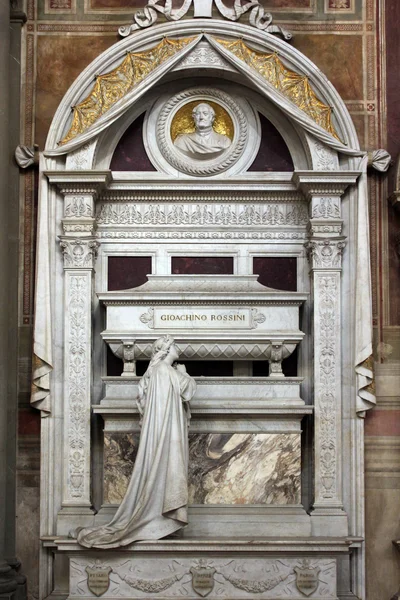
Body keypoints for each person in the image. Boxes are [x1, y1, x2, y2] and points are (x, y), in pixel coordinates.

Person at [76, 335, 197, 548]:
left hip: (163, 433)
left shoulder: (156, 371)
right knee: (167, 470)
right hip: (167, 436)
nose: (178, 349)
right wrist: (185, 374)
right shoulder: (166, 372)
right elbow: (187, 390)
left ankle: (158, 520)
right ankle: (158, 519)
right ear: (168, 349)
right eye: (174, 346)